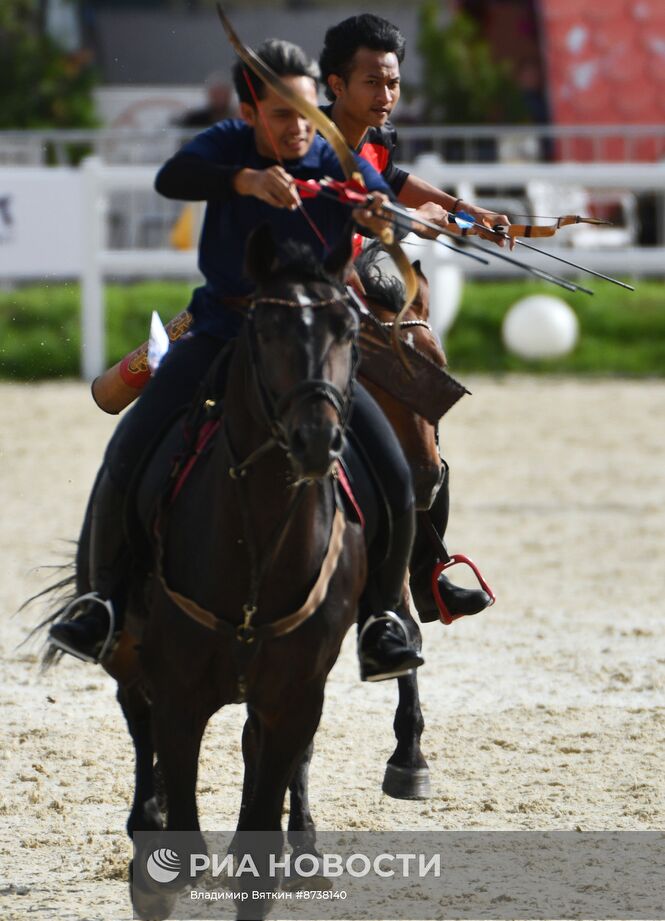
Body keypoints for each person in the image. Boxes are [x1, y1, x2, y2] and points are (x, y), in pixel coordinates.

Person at [49, 39, 423, 683]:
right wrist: (243, 180)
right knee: (128, 450)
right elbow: (173, 179)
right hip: (224, 331)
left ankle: (384, 617)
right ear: (250, 114)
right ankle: (102, 600)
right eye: (282, 116)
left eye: (307, 113)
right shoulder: (226, 144)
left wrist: (379, 218)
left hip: (312, 344)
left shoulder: (335, 151)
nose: (300, 128)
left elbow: (390, 221)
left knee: (392, 469)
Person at [319, 13, 504, 623]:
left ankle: (427, 571)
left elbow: (392, 182)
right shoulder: (311, 142)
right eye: (373, 82)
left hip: (359, 271)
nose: (386, 95)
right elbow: (360, 211)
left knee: (423, 400)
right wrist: (418, 223)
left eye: (393, 83)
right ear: (335, 84)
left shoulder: (377, 133)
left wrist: (461, 209)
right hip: (306, 275)